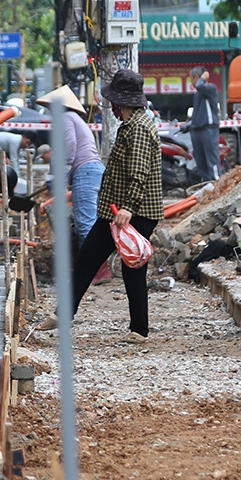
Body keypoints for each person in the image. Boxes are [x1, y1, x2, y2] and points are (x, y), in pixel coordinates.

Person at [69, 69, 163, 342]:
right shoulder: (130, 126)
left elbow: (139, 172)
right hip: (116, 210)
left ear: (121, 103)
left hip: (132, 211)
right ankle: (63, 315)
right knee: (89, 259)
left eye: (113, 103)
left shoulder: (140, 129)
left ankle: (139, 330)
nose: (111, 108)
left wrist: (128, 207)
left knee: (131, 268)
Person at [38, 84, 104, 241]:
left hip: (86, 172)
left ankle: (90, 265)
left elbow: (70, 146)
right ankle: (98, 264)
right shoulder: (74, 118)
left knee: (86, 227)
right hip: (94, 170)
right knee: (95, 224)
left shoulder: (65, 117)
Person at [187, 67, 221, 183]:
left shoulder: (209, 88)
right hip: (197, 131)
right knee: (201, 162)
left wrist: (203, 78)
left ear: (197, 77)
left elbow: (200, 86)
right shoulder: (197, 94)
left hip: (208, 130)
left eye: (192, 78)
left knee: (211, 160)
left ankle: (217, 183)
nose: (191, 81)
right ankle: (206, 183)